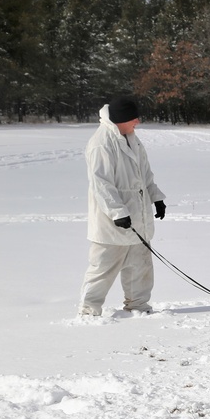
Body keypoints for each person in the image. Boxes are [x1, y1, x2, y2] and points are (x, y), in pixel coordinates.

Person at [79, 96, 167, 316]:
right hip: (112, 223)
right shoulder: (101, 144)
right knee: (103, 269)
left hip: (138, 218)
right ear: (121, 118)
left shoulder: (132, 138)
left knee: (141, 266)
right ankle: (89, 311)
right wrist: (117, 212)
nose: (137, 121)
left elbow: (145, 173)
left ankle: (138, 306)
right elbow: (101, 184)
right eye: (134, 118)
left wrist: (156, 197)